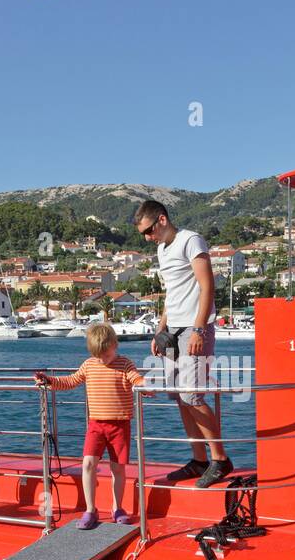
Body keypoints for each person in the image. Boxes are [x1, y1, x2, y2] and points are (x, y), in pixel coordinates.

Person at [135, 200, 232, 489]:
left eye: (149, 230)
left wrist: (200, 329)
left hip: (194, 328)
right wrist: (160, 329)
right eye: (143, 234)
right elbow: (172, 293)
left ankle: (220, 459)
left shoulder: (191, 240)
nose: (147, 237)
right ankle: (199, 459)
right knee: (178, 396)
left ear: (162, 220)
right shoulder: (162, 249)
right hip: (172, 330)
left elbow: (207, 285)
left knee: (192, 395)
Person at [34, 322, 147, 529]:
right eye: (98, 355)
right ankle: (90, 509)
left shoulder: (125, 364)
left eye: (105, 354)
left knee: (118, 468)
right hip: (96, 424)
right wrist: (48, 380)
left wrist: (145, 386)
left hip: (120, 425)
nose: (102, 359)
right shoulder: (89, 364)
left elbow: (136, 379)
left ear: (115, 344)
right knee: (87, 464)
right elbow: (70, 381)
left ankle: (117, 508)